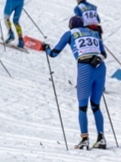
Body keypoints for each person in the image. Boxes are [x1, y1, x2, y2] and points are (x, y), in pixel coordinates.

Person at [44, 17, 108, 150]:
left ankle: (84, 139)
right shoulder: (94, 33)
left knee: (82, 107)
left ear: (71, 26)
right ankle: (101, 138)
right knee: (96, 105)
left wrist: (47, 49)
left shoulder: (70, 33)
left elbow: (54, 53)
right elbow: (103, 53)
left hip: (85, 67)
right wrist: (97, 58)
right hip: (100, 67)